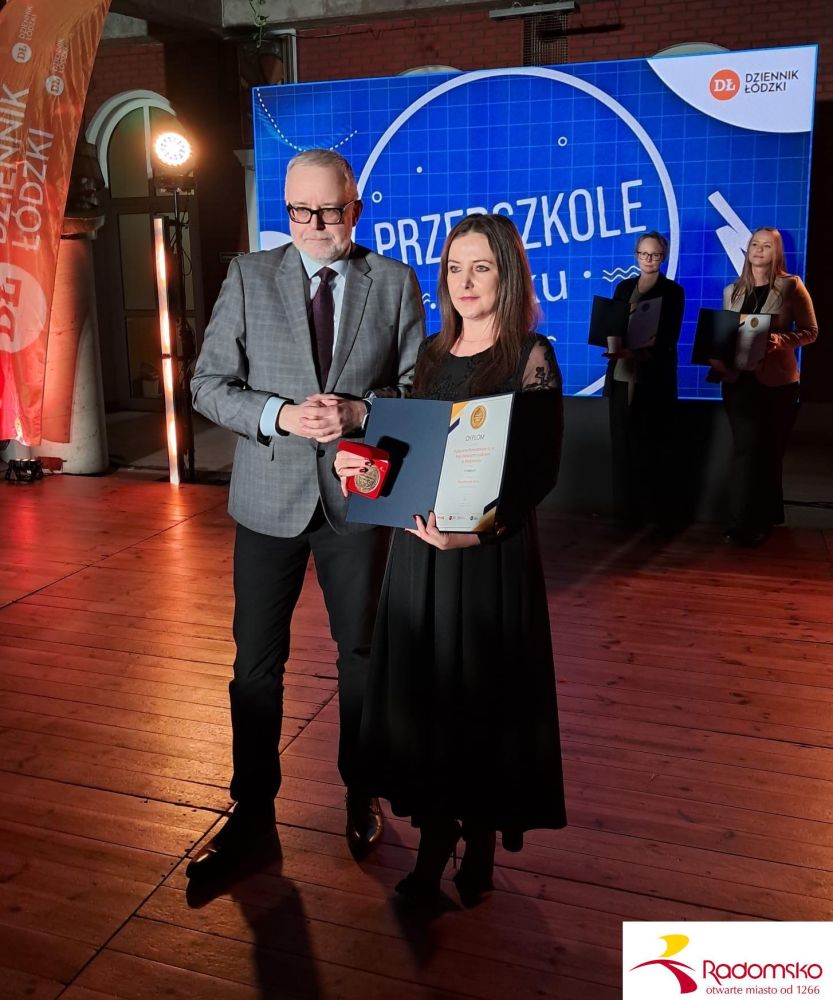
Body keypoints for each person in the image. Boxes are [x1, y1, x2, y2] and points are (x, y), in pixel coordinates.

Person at [188, 149, 425, 876]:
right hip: (267, 502)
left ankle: (362, 791)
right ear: (285, 209)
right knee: (255, 665)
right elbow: (208, 384)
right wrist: (280, 415)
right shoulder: (248, 276)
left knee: (361, 657)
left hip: (358, 501)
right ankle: (252, 810)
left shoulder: (394, 280)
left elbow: (418, 388)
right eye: (301, 211)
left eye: (330, 211)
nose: (316, 225)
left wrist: (360, 411)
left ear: (356, 208)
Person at [335, 214, 565, 905]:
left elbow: (538, 471)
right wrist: (364, 469)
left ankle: (481, 845)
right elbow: (409, 451)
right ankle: (436, 847)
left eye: (481, 267)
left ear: (507, 274)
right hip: (422, 555)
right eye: (455, 268)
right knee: (429, 702)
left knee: (481, 700)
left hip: (488, 559)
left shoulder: (531, 355)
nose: (465, 282)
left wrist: (477, 537)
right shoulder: (432, 355)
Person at [711, 227, 818, 546]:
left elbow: (811, 331)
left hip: (777, 383)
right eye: (754, 244)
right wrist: (716, 354)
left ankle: (763, 520)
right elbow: (727, 334)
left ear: (777, 252)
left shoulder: (791, 285)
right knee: (745, 449)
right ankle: (739, 522)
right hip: (738, 380)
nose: (758, 250)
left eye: (766, 246)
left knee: (768, 453)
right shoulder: (732, 290)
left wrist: (782, 340)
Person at [604, 231, 685, 530]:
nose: (649, 259)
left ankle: (655, 518)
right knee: (622, 448)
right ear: (636, 255)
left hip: (653, 378)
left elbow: (669, 338)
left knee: (652, 448)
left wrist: (639, 352)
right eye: (643, 254)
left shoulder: (673, 291)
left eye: (655, 255)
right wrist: (613, 343)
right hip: (621, 376)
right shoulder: (623, 287)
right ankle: (625, 516)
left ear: (663, 257)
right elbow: (611, 325)